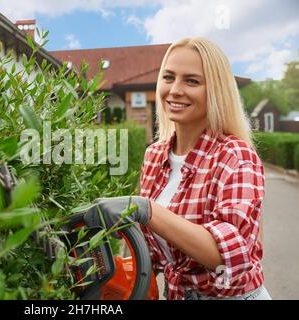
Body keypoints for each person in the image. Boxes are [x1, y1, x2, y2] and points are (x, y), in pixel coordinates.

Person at [84, 37, 271, 300]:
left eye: (192, 81)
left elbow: (229, 257)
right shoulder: (154, 155)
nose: (175, 90)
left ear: (216, 90)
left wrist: (147, 209)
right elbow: (150, 252)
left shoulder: (235, 154)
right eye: (168, 77)